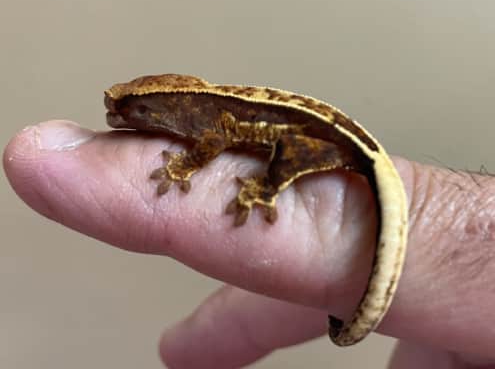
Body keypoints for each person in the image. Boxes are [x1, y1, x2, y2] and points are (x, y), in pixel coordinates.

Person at [4, 120, 495, 369]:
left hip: (333, 147)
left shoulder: (210, 118)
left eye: (129, 109)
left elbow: (217, 140)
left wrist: (198, 170)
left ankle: (269, 187)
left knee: (288, 186)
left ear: (164, 104)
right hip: (339, 148)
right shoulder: (209, 112)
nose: (115, 116)